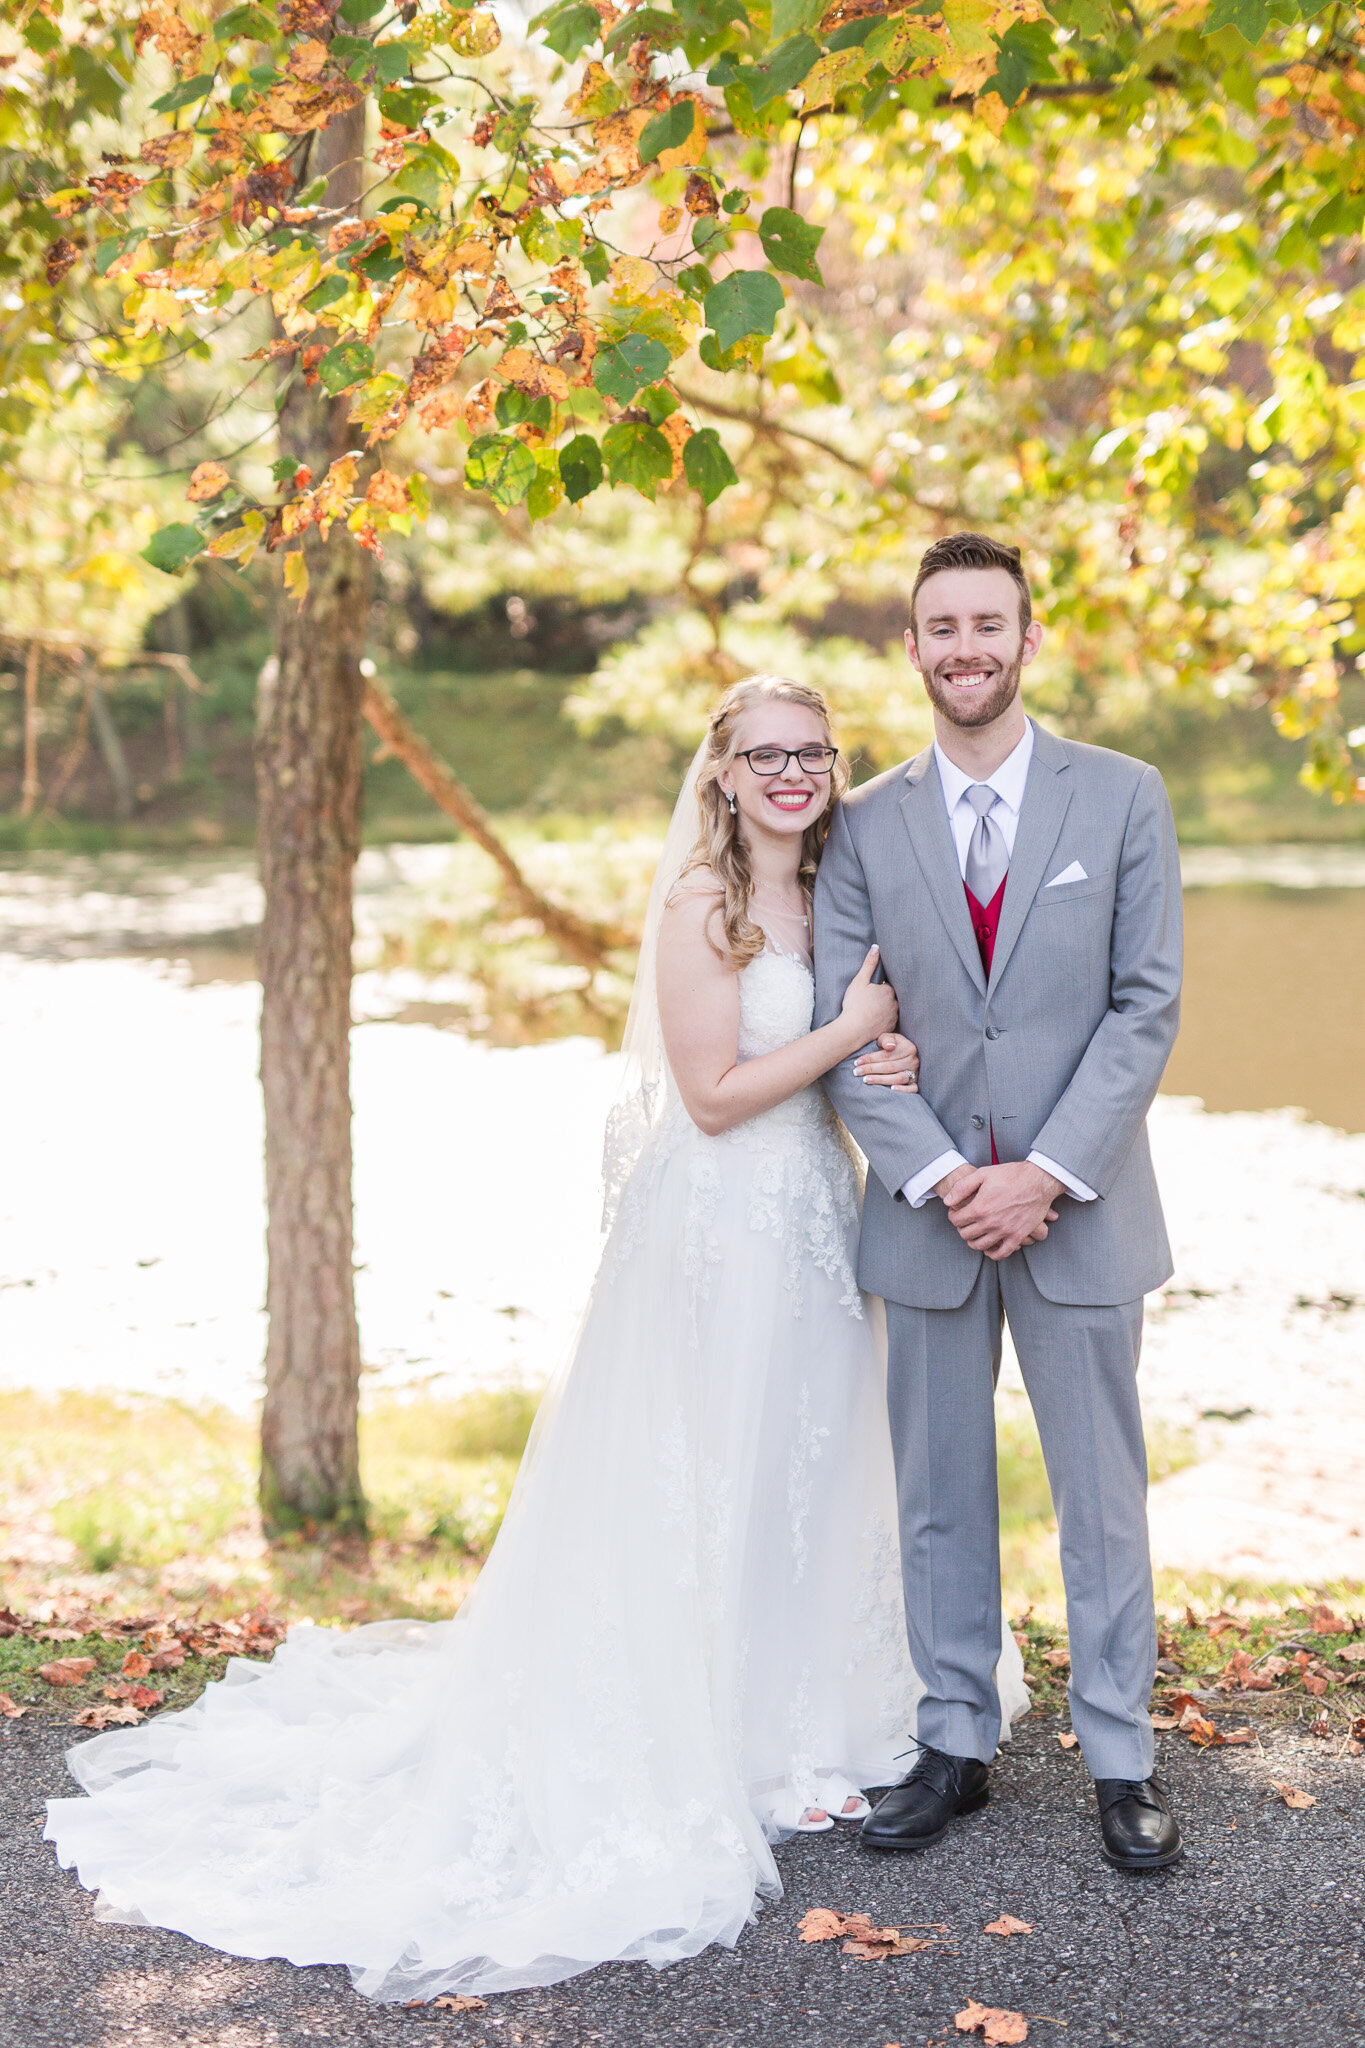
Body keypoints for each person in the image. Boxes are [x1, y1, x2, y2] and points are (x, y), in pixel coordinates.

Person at [45, 673, 1029, 2003]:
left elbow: (845, 1066)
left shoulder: (834, 892)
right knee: (706, 1459)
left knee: (802, 1458)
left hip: (811, 1215)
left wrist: (885, 1061)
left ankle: (806, 1715)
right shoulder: (702, 905)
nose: (792, 773)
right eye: (764, 755)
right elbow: (716, 1092)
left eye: (812, 752)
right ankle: (696, 1725)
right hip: (718, 1222)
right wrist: (854, 1029)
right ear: (722, 773)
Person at [813, 533, 1184, 1872]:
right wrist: (944, 1175)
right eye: (939, 627)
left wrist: (1041, 1172)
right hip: (926, 1212)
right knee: (936, 1494)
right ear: (909, 648)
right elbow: (843, 1027)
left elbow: (1145, 1007)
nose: (964, 647)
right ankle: (954, 1739)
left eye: (988, 624)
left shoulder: (1123, 796)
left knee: (1101, 1494)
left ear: (1029, 640)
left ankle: (1122, 1757)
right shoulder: (860, 825)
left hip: (1080, 1204)